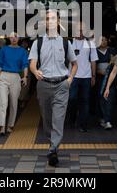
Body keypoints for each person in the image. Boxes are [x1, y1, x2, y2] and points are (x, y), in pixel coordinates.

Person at [29, 9, 78, 167]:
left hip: (61, 85)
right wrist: (35, 71)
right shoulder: (38, 42)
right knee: (47, 118)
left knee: (58, 119)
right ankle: (53, 144)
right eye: (47, 18)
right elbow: (32, 64)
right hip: (44, 85)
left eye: (52, 18)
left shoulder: (65, 42)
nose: (49, 21)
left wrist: (70, 79)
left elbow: (74, 64)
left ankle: (53, 150)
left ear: (57, 22)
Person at [0, 33, 29, 135]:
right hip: (3, 76)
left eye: (16, 36)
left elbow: (25, 65)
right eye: (12, 36)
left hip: (16, 77)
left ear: (19, 38)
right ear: (9, 38)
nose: (14, 38)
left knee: (14, 103)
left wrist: (25, 77)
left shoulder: (22, 51)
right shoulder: (3, 49)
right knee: (3, 102)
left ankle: (10, 125)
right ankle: (2, 127)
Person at [67, 21, 98, 132]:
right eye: (78, 29)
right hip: (72, 76)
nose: (80, 32)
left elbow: (93, 60)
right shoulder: (69, 43)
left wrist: (93, 76)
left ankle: (83, 124)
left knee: (85, 100)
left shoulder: (90, 43)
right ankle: (72, 117)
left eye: (82, 30)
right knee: (72, 98)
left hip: (86, 76)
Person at [95, 35, 116, 129]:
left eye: (105, 40)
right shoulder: (94, 51)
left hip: (110, 79)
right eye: (101, 40)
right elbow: (93, 65)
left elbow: (115, 63)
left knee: (110, 98)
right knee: (100, 98)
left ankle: (108, 119)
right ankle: (102, 117)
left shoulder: (112, 51)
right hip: (99, 79)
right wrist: (98, 72)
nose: (104, 41)